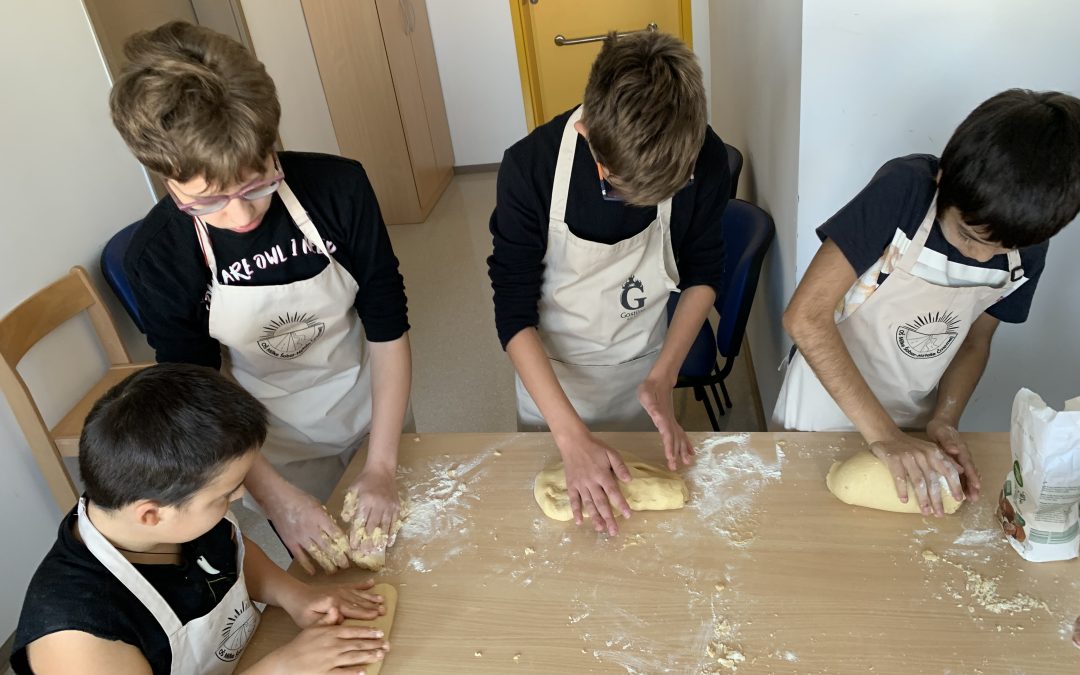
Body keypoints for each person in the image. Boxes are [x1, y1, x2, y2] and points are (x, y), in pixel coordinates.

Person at [111, 22, 412, 573]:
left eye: (258, 181)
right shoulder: (158, 255)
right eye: (210, 200)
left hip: (372, 400)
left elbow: (387, 326)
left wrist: (384, 464)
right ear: (163, 177)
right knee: (330, 572)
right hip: (266, 438)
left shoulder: (338, 189)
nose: (243, 214)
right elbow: (200, 396)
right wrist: (274, 495)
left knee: (407, 549)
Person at [774, 89, 1080, 516]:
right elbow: (805, 317)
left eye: (1000, 248)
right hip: (823, 405)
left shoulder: (1027, 247)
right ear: (945, 179)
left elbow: (975, 342)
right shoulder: (906, 193)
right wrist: (883, 437)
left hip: (913, 415)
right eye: (969, 236)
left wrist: (944, 419)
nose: (980, 256)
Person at [488, 31, 730, 535]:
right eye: (619, 191)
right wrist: (570, 437)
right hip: (552, 385)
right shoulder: (529, 168)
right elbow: (512, 312)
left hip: (642, 367)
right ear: (588, 133)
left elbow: (704, 272)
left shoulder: (702, 155)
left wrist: (664, 376)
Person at [11, 364, 391, 675]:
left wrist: (295, 595)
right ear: (151, 514)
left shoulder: (170, 518)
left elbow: (234, 558)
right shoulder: (78, 638)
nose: (239, 497)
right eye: (225, 494)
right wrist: (281, 668)